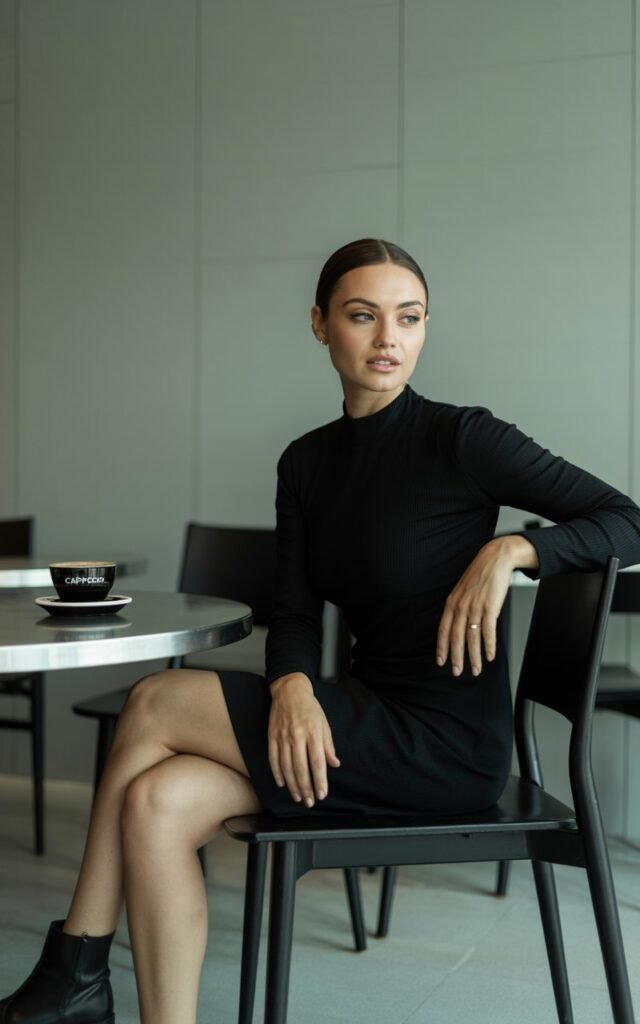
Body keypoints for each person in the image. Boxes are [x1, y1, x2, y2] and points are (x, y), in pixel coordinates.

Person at [2, 238, 640, 1024]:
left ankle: (73, 969)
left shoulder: (463, 439)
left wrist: (518, 547)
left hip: (443, 747)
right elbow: (296, 612)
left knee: (157, 702)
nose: (387, 339)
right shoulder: (306, 463)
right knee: (157, 802)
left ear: (425, 328)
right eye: (363, 316)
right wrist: (293, 688)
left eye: (407, 319)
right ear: (320, 325)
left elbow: (628, 522)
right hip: (356, 715)